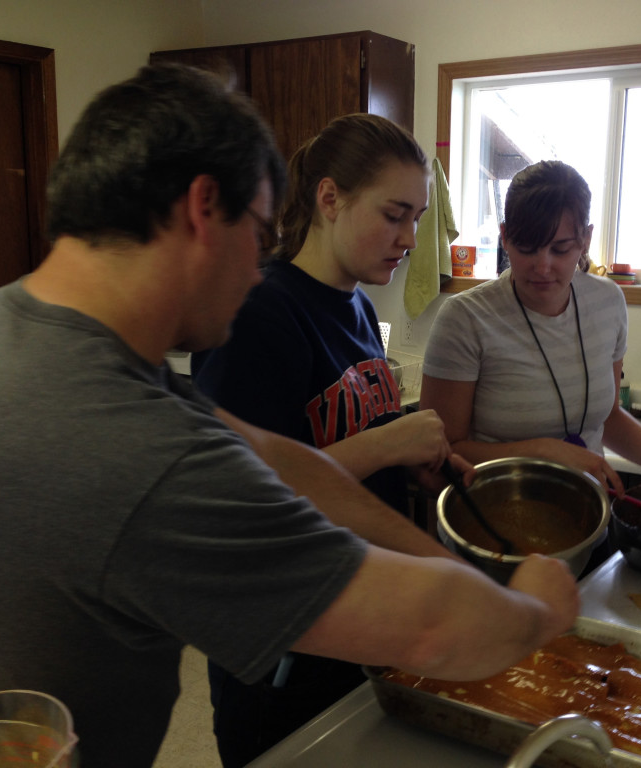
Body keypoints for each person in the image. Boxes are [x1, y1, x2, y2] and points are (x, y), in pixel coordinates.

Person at [0, 66, 581, 768]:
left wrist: (445, 561)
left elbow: (279, 459)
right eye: (255, 234)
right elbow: (432, 633)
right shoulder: (142, 450)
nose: (258, 270)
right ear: (201, 209)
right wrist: (532, 610)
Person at [191, 113, 464, 765]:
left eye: (419, 217)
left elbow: (341, 446)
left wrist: (406, 464)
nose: (409, 237)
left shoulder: (359, 307)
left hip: (359, 623)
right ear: (330, 198)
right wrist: (387, 446)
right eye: (395, 213)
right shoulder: (258, 313)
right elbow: (237, 498)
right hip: (284, 651)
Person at [421, 160, 641, 502]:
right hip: (496, 525)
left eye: (560, 248)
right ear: (505, 236)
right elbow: (439, 452)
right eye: (527, 247)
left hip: (586, 517)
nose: (543, 266)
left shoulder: (607, 301)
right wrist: (543, 452)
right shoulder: (466, 319)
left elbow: (610, 418)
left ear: (585, 239)